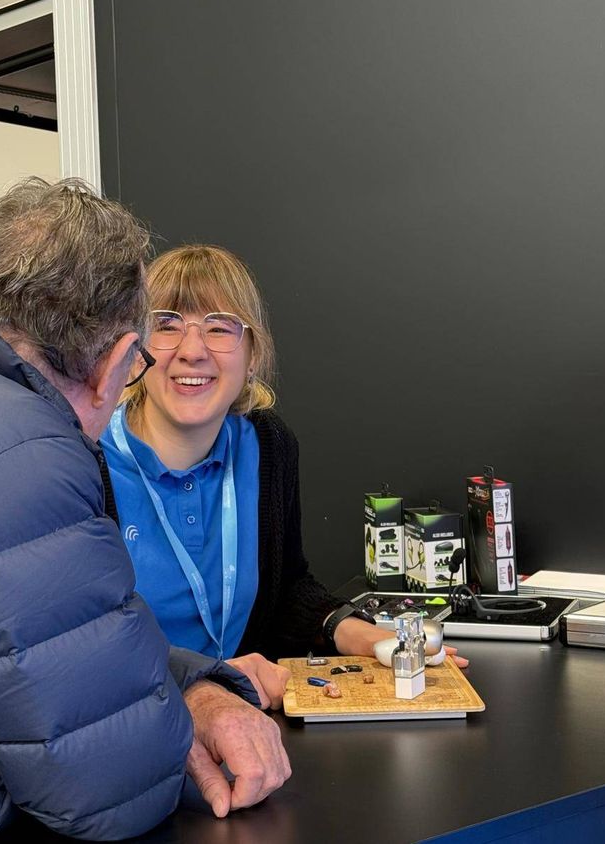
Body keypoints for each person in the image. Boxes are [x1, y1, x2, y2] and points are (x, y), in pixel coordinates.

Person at [0, 181, 289, 844]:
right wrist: (183, 717)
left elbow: (44, 653)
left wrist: (194, 685)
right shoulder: (20, 457)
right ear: (111, 368)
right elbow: (108, 792)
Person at [101, 245, 466, 702]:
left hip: (250, 729)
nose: (191, 351)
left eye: (219, 328)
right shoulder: (84, 462)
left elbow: (286, 588)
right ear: (136, 351)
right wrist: (201, 687)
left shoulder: (267, 445)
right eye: (166, 325)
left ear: (252, 356)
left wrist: (372, 639)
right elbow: (81, 651)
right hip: (133, 735)